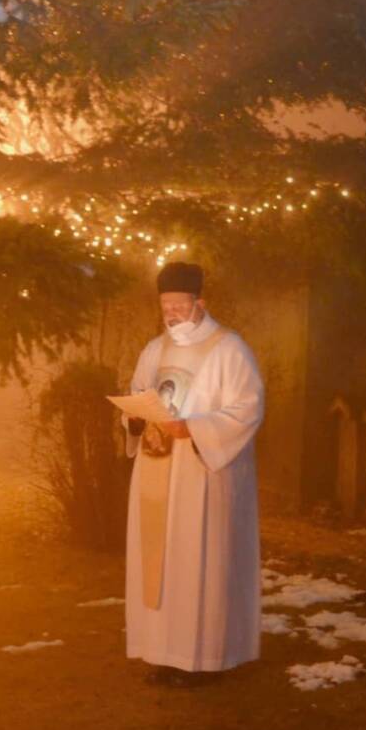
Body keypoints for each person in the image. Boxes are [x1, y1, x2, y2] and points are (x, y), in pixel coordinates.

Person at [122, 262, 266, 685]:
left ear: (200, 303)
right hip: (157, 469)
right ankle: (163, 653)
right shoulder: (155, 349)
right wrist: (133, 419)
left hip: (202, 476)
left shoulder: (229, 349)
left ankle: (203, 658)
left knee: (199, 561)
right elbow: (137, 392)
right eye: (165, 307)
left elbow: (247, 409)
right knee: (161, 564)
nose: (171, 315)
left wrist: (195, 427)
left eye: (179, 306)